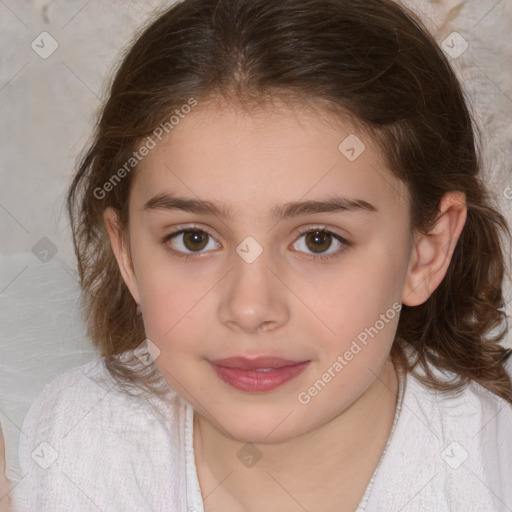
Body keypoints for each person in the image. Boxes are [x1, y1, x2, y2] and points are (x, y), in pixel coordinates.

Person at [6, 0, 512, 510]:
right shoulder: (80, 440)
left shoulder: (493, 474)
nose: (250, 309)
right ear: (129, 256)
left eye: (319, 240)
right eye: (194, 239)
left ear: (426, 252)